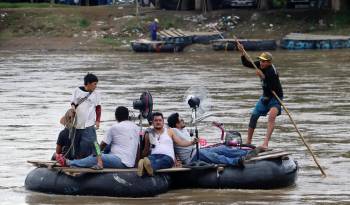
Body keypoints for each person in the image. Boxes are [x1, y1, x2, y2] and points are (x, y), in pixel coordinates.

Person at [55, 106, 140, 169]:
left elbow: (101, 146)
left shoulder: (114, 128)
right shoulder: (136, 127)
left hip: (120, 161)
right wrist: (135, 165)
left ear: (116, 117)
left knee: (97, 156)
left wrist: (95, 155)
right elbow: (138, 147)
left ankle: (69, 163)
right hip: (130, 162)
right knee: (106, 148)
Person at [237, 41, 283, 150]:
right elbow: (247, 63)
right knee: (254, 116)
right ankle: (248, 142)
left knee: (271, 118)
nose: (261, 63)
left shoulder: (272, 71)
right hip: (265, 97)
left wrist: (263, 76)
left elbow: (272, 87)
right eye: (261, 61)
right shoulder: (259, 64)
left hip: (275, 97)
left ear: (269, 62)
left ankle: (265, 143)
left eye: (264, 61)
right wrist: (242, 52)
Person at [167, 113, 249, 167]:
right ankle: (235, 162)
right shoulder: (173, 131)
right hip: (191, 157)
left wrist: (211, 124)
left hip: (197, 151)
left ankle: (247, 153)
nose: (183, 120)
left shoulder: (183, 129)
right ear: (176, 124)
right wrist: (191, 142)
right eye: (181, 120)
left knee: (221, 148)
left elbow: (198, 125)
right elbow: (181, 142)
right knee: (214, 156)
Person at [137, 112, 196, 176]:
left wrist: (191, 142)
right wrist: (141, 156)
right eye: (156, 120)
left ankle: (147, 168)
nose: (158, 122)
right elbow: (146, 150)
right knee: (149, 159)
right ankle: (146, 166)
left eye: (160, 120)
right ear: (152, 122)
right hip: (154, 155)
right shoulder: (149, 133)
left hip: (167, 156)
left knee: (161, 161)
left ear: (163, 122)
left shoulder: (170, 131)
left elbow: (180, 142)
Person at [69, 73, 101, 159]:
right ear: (88, 83)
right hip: (77, 124)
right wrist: (72, 109)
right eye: (94, 84)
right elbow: (73, 103)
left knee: (95, 143)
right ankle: (77, 160)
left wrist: (98, 121)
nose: (95, 86)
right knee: (76, 143)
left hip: (89, 124)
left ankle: (99, 158)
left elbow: (98, 108)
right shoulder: (77, 91)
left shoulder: (96, 94)